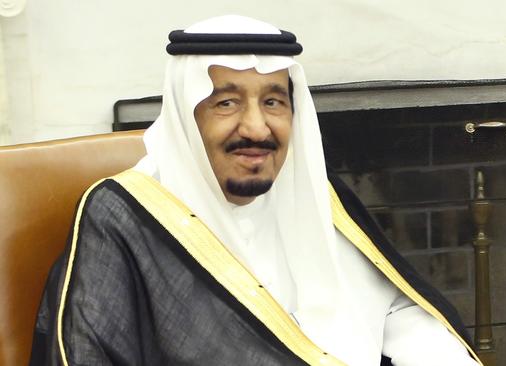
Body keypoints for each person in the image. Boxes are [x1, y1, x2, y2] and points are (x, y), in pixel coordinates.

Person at [30, 15, 482, 366]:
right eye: (226, 102)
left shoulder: (314, 194)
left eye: (273, 101)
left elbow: (394, 308)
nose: (256, 127)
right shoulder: (123, 216)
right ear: (188, 117)